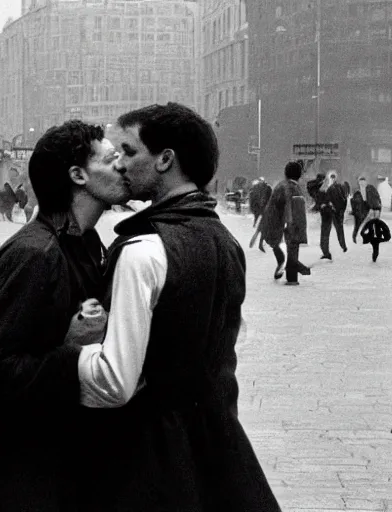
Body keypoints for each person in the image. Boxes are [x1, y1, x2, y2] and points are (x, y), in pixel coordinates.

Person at [65, 102, 280, 511]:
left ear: (165, 159)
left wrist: (67, 350)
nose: (121, 165)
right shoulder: (225, 242)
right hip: (218, 451)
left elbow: (114, 382)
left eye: (129, 152)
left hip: (146, 464)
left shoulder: (143, 250)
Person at [0, 120, 128, 510]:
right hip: (19, 478)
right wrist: (71, 348)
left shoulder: (86, 243)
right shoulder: (35, 255)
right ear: (78, 175)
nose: (123, 167)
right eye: (113, 159)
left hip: (56, 464)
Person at [261, 162, 311, 285]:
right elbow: (293, 208)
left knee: (287, 251)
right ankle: (293, 276)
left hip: (278, 225)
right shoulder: (293, 188)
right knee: (292, 251)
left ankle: (291, 268)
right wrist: (292, 226)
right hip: (289, 226)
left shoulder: (281, 186)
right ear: (299, 175)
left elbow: (271, 209)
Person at [318, 170, 349, 259]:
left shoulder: (338, 187)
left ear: (336, 178)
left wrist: (339, 209)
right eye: (330, 176)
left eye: (333, 177)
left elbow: (343, 200)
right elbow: (320, 199)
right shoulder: (323, 187)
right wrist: (323, 205)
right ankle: (326, 252)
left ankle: (343, 246)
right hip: (326, 213)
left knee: (339, 229)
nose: (332, 178)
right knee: (325, 233)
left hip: (335, 212)